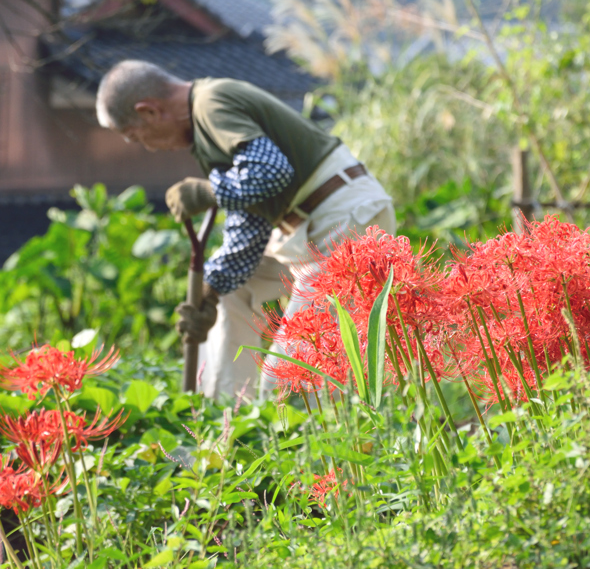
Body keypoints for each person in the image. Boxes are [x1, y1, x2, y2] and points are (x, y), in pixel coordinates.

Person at [94, 60, 395, 400]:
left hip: (344, 216)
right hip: (307, 223)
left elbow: (270, 173)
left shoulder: (211, 104)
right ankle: (226, 416)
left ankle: (283, 431)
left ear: (149, 112)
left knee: (292, 375)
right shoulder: (204, 125)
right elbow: (249, 221)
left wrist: (208, 192)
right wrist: (211, 286)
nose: (148, 147)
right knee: (230, 291)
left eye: (136, 136)